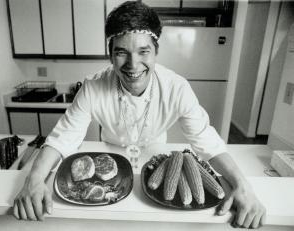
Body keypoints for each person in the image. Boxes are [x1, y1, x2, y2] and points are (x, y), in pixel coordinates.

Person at [13, 1, 266, 228]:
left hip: (158, 163)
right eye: (122, 52)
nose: (133, 65)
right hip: (110, 166)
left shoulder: (177, 88)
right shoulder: (92, 87)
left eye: (143, 52)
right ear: (110, 54)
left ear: (156, 52)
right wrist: (34, 180)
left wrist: (242, 184)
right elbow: (63, 138)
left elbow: (206, 141)